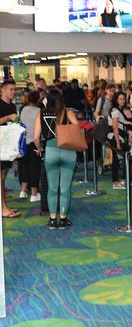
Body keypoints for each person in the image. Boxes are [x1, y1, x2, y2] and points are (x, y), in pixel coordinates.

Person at [33, 90, 80, 229]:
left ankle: (53, 219)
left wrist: (40, 148)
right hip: (68, 151)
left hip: (50, 151)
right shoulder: (68, 112)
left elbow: (36, 138)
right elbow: (77, 129)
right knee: (65, 188)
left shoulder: (40, 114)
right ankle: (64, 219)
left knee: (52, 188)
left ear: (47, 100)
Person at [18, 90, 42, 203]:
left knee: (25, 167)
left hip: (23, 142)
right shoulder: (39, 111)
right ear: (38, 100)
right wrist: (40, 147)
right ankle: (34, 193)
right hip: (34, 142)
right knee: (35, 168)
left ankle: (23, 191)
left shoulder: (23, 110)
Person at [0, 80, 19, 218]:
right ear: (3, 89)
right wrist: (7, 117)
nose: (13, 92)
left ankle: (3, 206)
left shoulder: (12, 106)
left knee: (3, 176)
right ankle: (3, 208)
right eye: (11, 89)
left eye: (14, 89)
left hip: (7, 146)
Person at [108, 91, 132, 189]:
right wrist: (118, 142)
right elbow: (115, 128)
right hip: (116, 138)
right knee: (118, 160)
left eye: (123, 99)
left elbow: (119, 124)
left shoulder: (117, 110)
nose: (122, 101)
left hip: (117, 137)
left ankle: (120, 181)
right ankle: (117, 181)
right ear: (116, 100)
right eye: (120, 99)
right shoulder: (115, 111)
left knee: (118, 159)